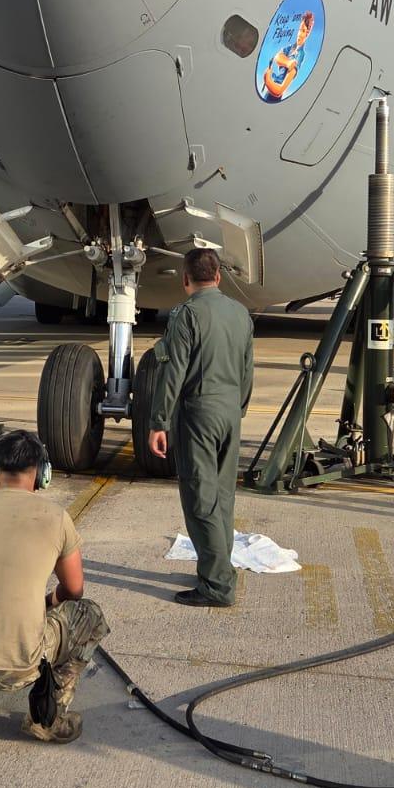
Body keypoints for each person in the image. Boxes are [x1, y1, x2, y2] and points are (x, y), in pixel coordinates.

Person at [0, 431, 109, 743]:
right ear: (42, 475)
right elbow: (74, 589)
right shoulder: (56, 518)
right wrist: (47, 602)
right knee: (88, 615)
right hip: (21, 664)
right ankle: (48, 716)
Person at [147, 248, 255, 607]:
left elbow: (173, 371)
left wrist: (159, 421)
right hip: (230, 412)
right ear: (219, 276)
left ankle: (217, 586)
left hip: (199, 413)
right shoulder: (240, 313)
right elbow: (247, 370)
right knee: (222, 498)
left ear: (185, 279)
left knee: (200, 500)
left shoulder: (187, 315)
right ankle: (220, 569)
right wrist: (236, 409)